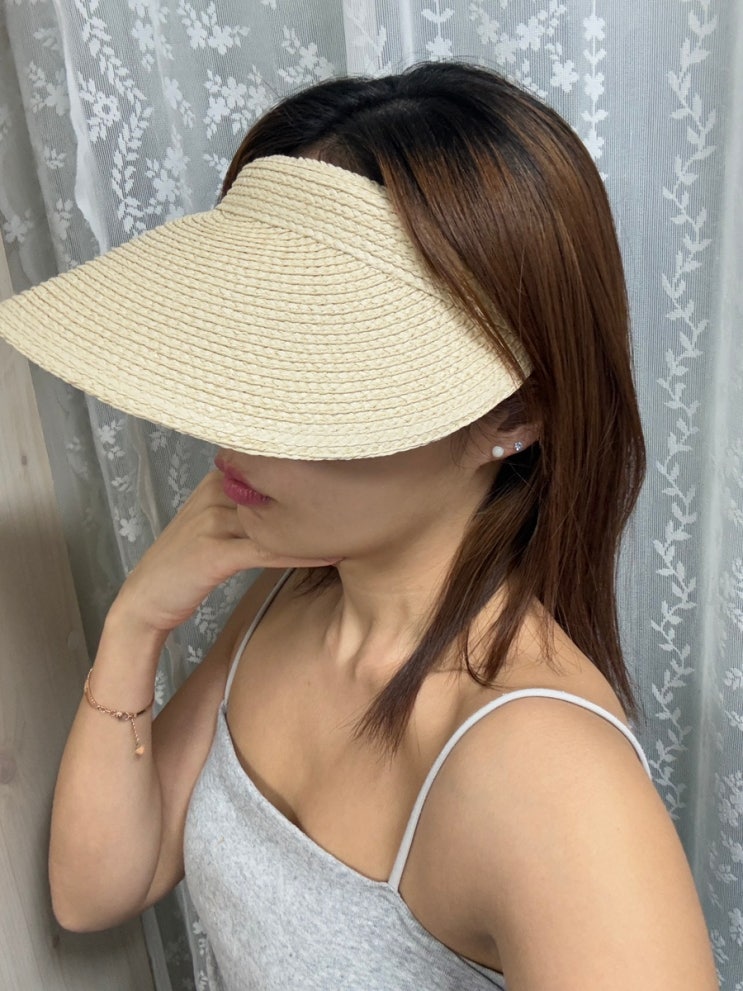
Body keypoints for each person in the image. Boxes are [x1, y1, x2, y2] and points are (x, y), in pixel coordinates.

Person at [0, 62, 718, 990]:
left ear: (514, 415)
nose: (233, 422)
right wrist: (138, 620)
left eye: (317, 372)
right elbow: (98, 887)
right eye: (242, 346)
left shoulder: (550, 780)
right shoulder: (294, 590)